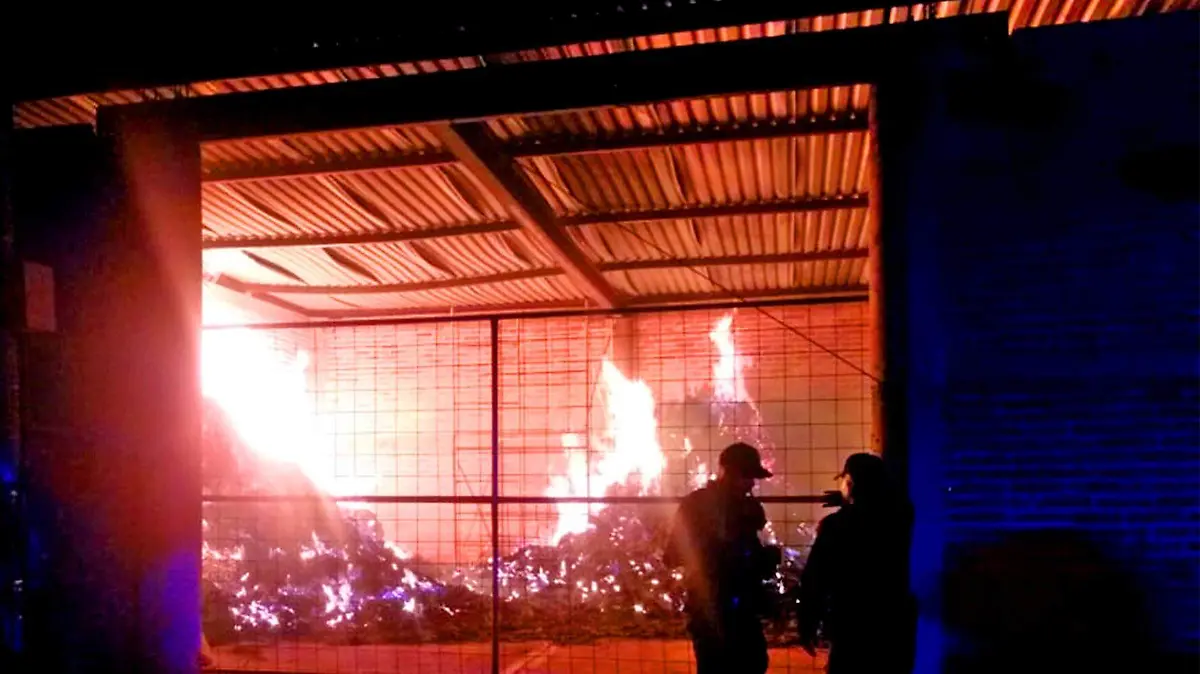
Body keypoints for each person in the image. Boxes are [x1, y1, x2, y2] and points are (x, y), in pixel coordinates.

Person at [664, 442, 781, 674]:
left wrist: (762, 558)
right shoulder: (698, 505)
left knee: (752, 663)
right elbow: (674, 555)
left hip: (736, 606)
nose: (751, 483)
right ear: (727, 472)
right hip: (712, 607)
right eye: (746, 476)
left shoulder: (747, 507)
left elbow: (674, 555)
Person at [798, 453, 916, 674]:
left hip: (850, 625)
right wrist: (849, 499)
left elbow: (815, 578)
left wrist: (807, 623)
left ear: (850, 482)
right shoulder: (901, 518)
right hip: (892, 624)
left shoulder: (836, 526)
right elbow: (891, 504)